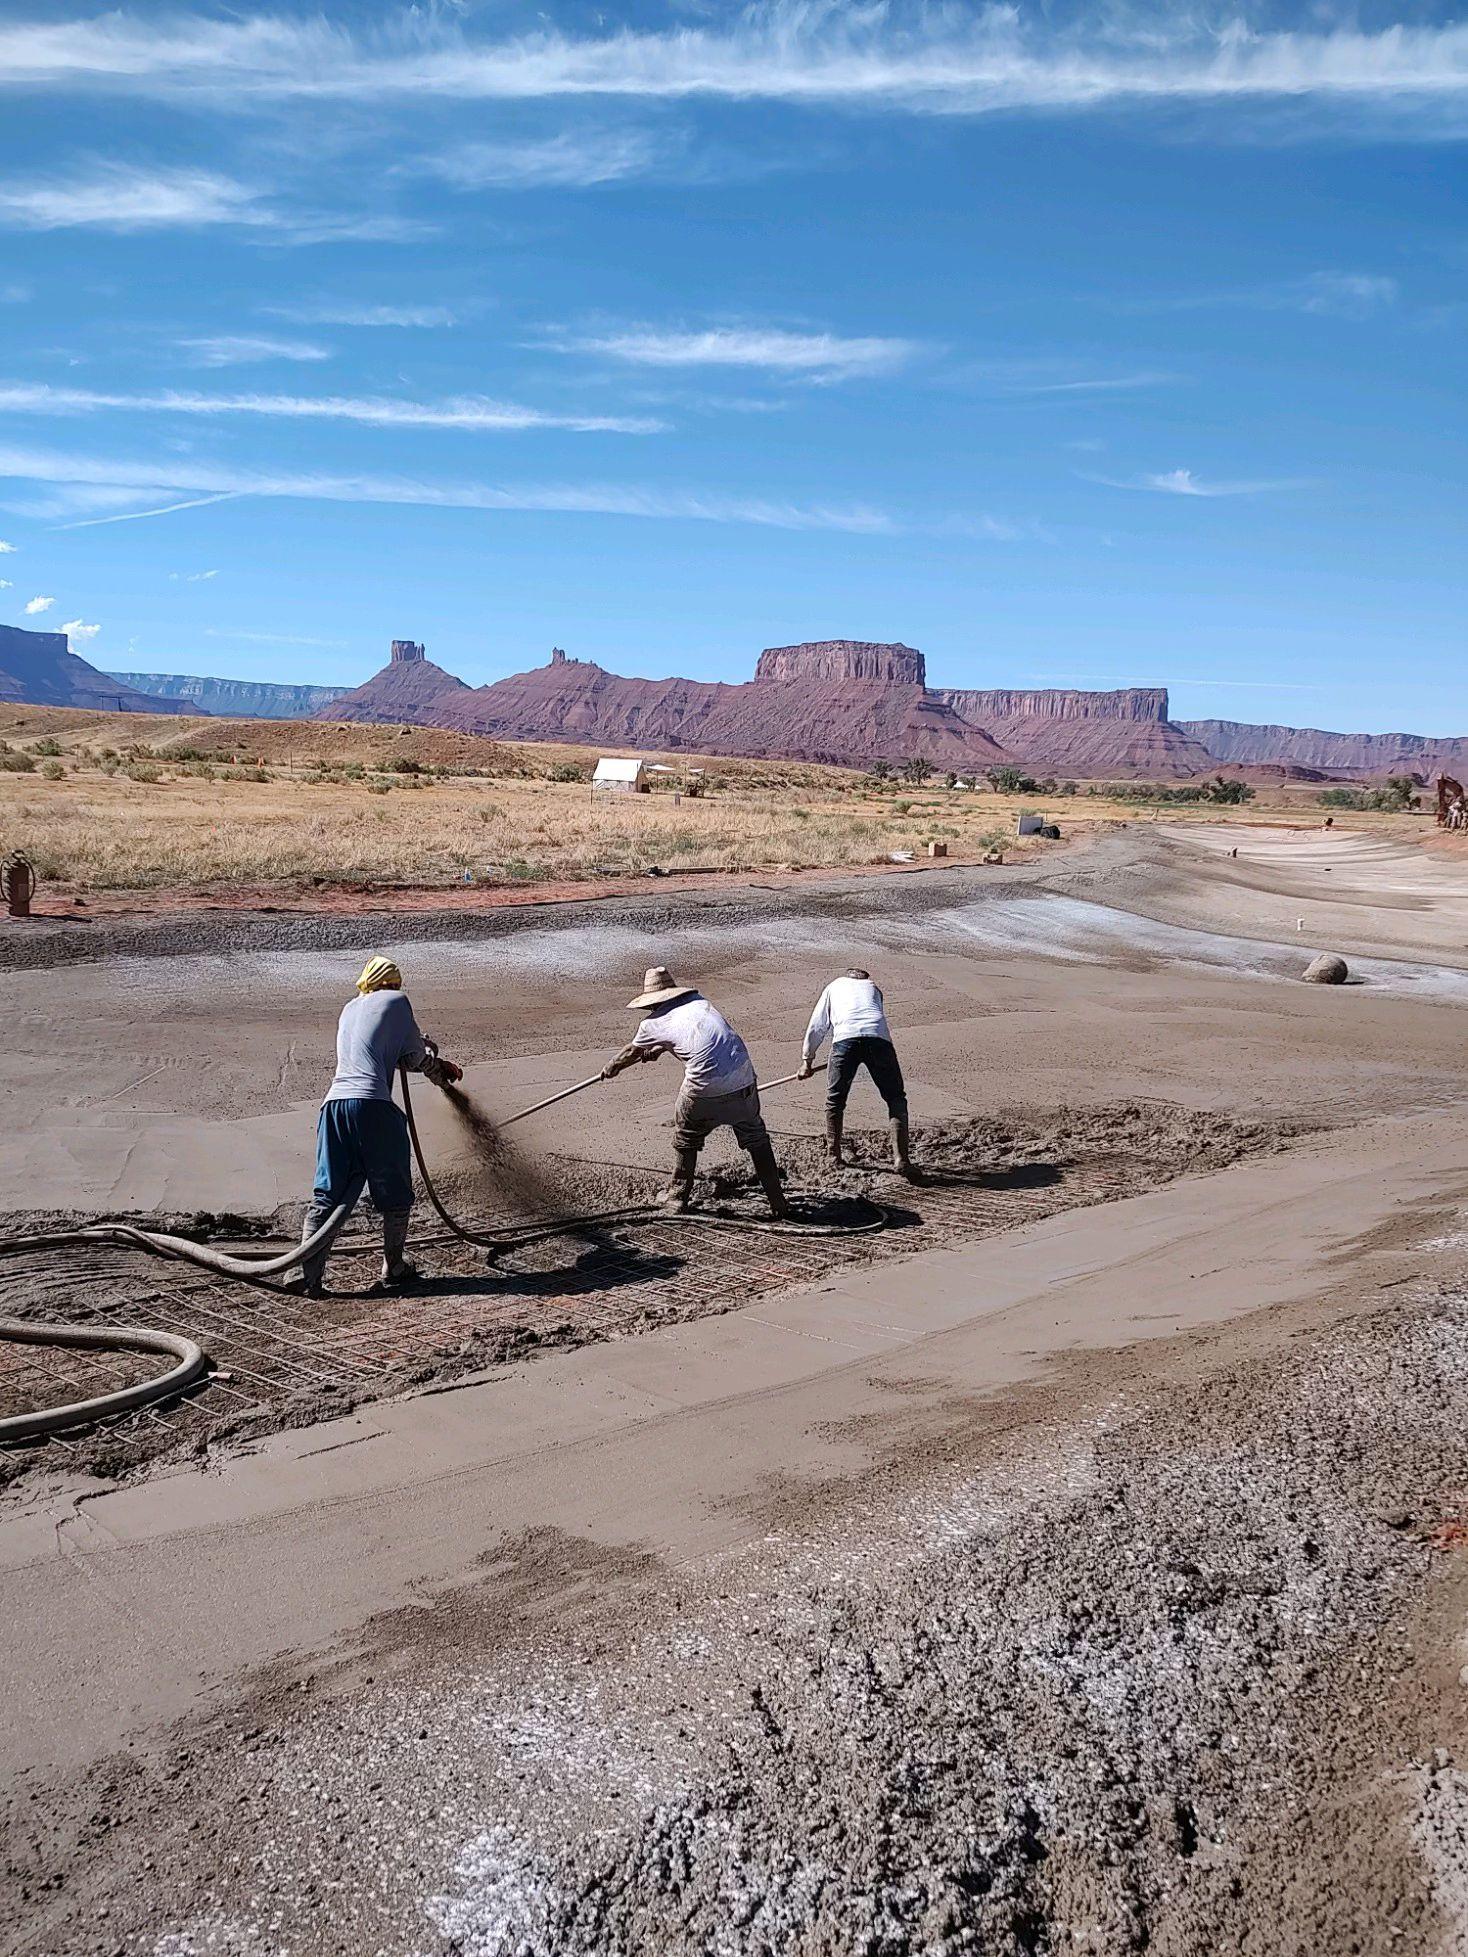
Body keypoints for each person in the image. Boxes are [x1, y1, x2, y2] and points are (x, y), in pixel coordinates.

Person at [291, 956, 462, 1299]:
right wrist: (439, 1071)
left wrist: (418, 1052)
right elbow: (414, 1058)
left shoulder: (349, 1009)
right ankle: (394, 1266)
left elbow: (384, 1050)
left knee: (328, 1195)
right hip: (373, 1108)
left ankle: (304, 1272)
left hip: (334, 1108)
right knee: (395, 1196)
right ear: (392, 983)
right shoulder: (397, 1001)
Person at [601, 966, 789, 1218]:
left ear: (651, 1002)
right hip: (743, 1079)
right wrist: (658, 1050)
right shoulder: (699, 1002)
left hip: (704, 1088)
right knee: (757, 1139)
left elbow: (631, 1053)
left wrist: (612, 1068)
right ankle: (778, 1202)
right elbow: (698, 1036)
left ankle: (677, 1199)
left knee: (686, 1139)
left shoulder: (651, 1024)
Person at [799, 968, 910, 1175]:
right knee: (896, 1099)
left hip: (845, 1041)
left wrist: (807, 1061)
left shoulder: (834, 986)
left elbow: (818, 1025)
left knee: (835, 1101)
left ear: (847, 977)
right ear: (865, 979)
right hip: (879, 1041)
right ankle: (901, 1159)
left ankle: (833, 1156)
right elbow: (875, 1021)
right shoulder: (874, 988)